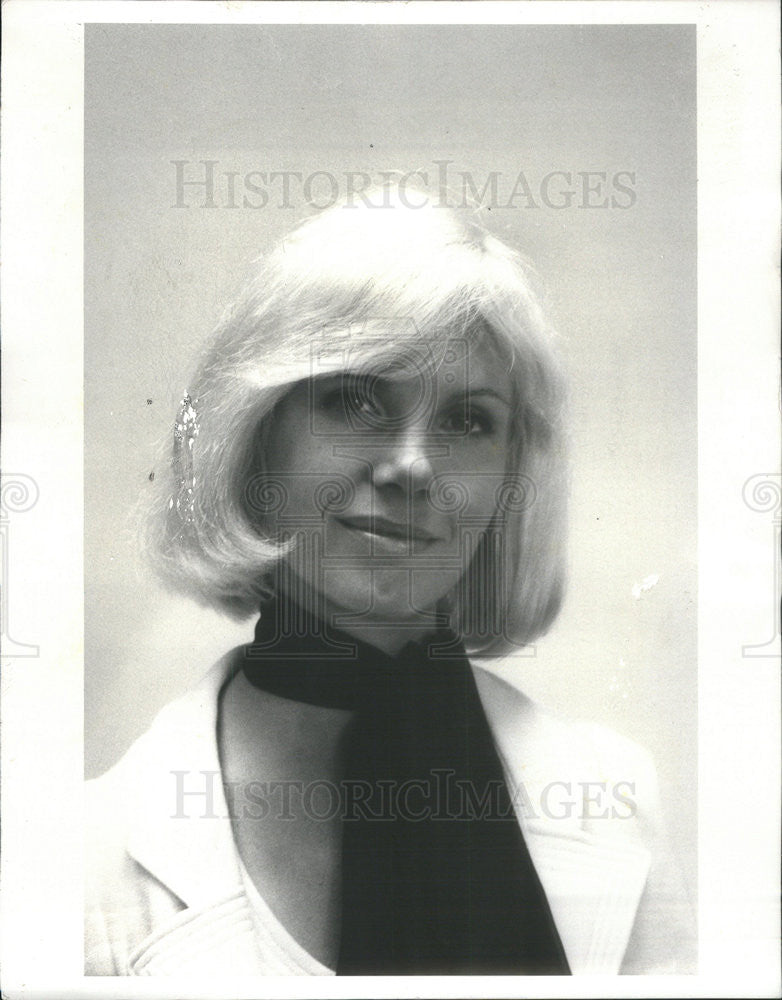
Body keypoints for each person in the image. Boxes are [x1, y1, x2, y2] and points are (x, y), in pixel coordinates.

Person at [85, 184, 695, 977]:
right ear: (258, 436)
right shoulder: (84, 851)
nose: (412, 465)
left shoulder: (615, 799)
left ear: (512, 477)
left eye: (468, 421)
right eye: (356, 400)